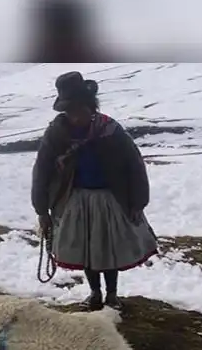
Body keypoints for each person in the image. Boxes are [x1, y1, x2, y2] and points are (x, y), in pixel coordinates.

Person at [31, 71, 158, 311]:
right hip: (74, 200)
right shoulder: (56, 134)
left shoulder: (110, 130)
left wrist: (138, 201)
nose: (75, 116)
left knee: (107, 249)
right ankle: (95, 293)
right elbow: (42, 171)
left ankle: (112, 295)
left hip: (109, 199)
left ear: (90, 107)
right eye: (70, 112)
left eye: (79, 110)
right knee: (86, 250)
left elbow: (134, 164)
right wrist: (42, 210)